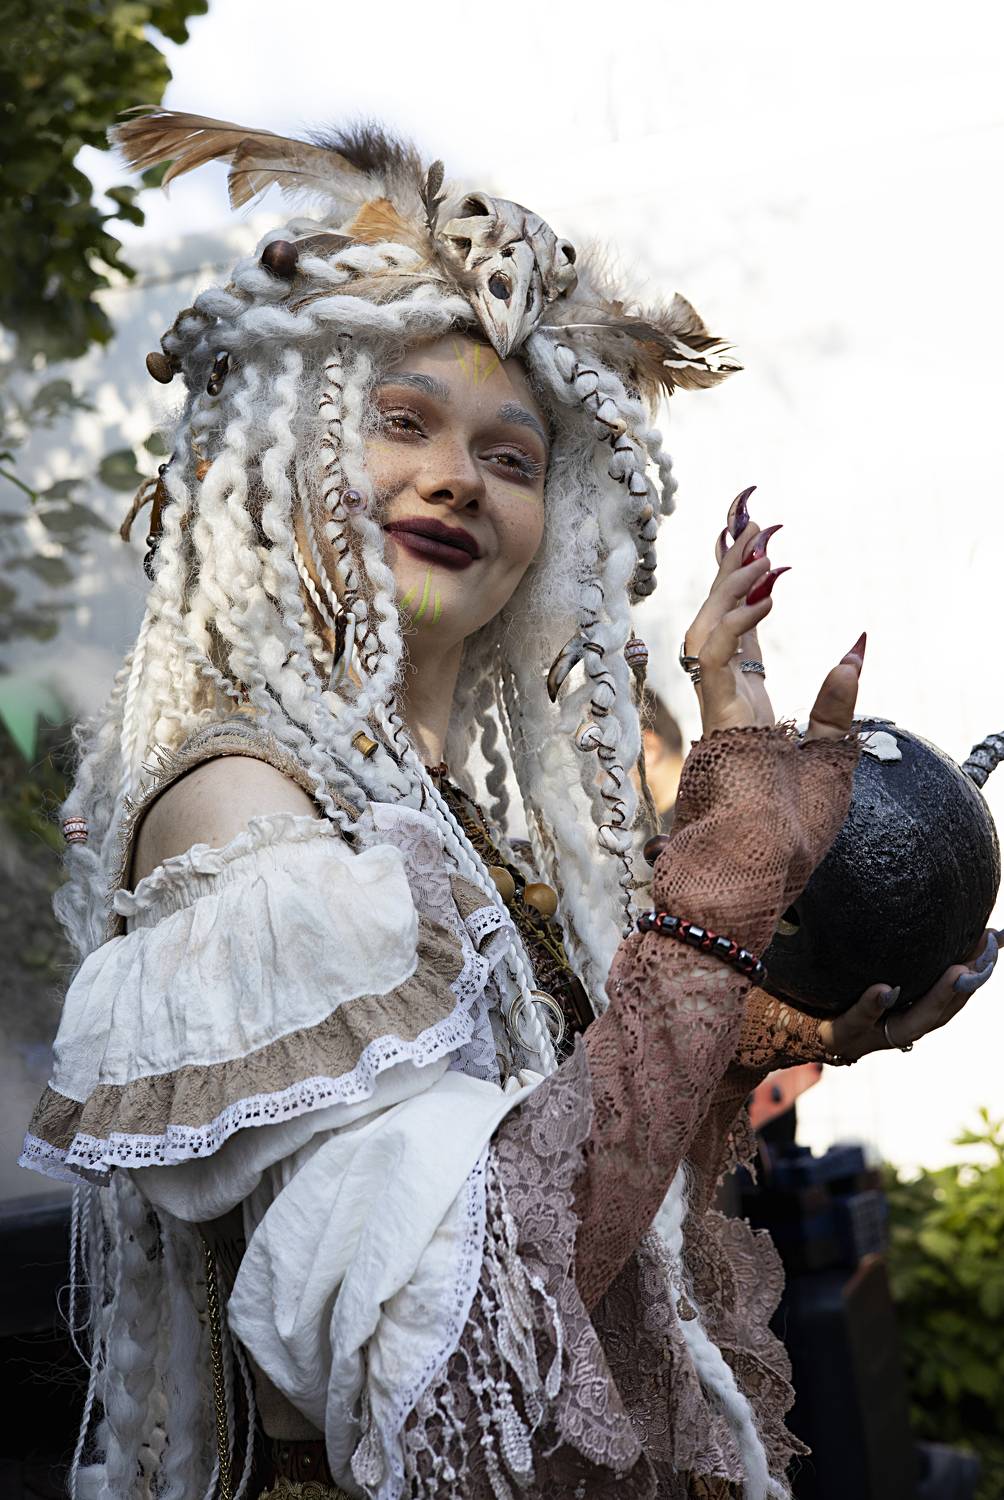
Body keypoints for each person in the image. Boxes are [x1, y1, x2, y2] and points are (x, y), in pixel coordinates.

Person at [20, 113, 998, 1500]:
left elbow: (544, 1157)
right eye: (401, 421)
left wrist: (761, 1030)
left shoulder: (441, 808)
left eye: (513, 456)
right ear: (287, 456)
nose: (454, 478)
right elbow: (471, 1330)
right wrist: (725, 874)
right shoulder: (246, 807)